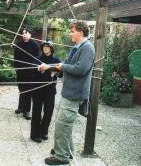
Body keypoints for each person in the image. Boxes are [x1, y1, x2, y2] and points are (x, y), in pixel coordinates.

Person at [41, 21, 95, 165]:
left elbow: (80, 69)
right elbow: (66, 65)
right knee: (65, 124)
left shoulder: (87, 48)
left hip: (75, 93)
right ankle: (66, 150)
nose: (70, 33)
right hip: (70, 92)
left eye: (72, 31)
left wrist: (62, 67)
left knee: (62, 125)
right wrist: (50, 68)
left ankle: (61, 156)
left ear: (81, 32)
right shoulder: (78, 47)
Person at [30, 40, 61, 143]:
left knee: (48, 112)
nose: (45, 48)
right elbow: (33, 71)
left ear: (51, 48)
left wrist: (54, 71)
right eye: (44, 46)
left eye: (48, 46)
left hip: (50, 90)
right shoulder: (37, 59)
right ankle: (35, 134)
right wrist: (40, 69)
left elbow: (60, 74)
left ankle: (44, 131)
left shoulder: (56, 60)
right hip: (38, 89)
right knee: (36, 112)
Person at [14, 28, 40, 120]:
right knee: (21, 89)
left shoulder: (35, 45)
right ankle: (21, 107)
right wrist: (16, 68)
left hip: (30, 72)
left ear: (30, 35)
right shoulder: (19, 44)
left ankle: (27, 111)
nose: (24, 35)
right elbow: (15, 57)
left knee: (28, 90)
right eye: (23, 33)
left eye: (26, 33)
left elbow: (37, 59)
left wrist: (34, 69)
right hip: (20, 71)